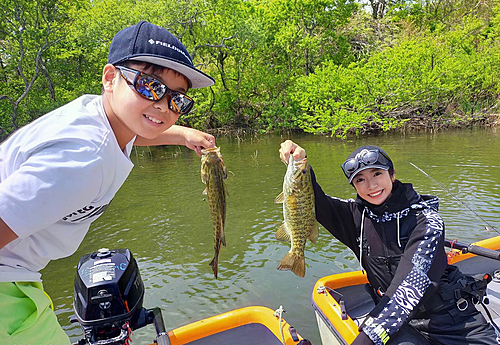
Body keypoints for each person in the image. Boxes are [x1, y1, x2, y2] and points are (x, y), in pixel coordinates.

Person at [0, 21, 216, 344]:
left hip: (20, 276)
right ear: (110, 78)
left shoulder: (103, 119)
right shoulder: (84, 160)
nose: (163, 106)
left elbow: (138, 131)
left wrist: (183, 135)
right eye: (150, 85)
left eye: (178, 99)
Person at [279, 140, 498, 345]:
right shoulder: (357, 218)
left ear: (392, 175)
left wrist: (367, 338)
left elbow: (409, 287)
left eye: (377, 174)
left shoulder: (427, 222)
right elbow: (311, 202)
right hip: (402, 326)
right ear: (354, 186)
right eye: (360, 179)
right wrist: (299, 162)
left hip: (454, 324)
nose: (371, 185)